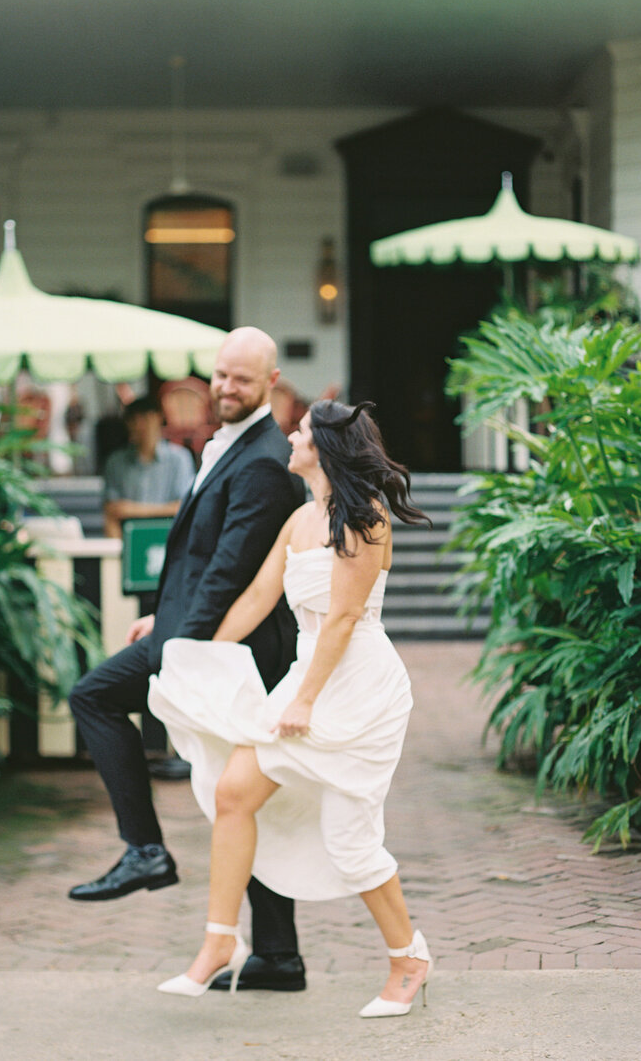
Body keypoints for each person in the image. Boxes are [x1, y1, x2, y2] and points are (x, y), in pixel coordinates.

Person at [149, 400, 434, 1018]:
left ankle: (408, 958)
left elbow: (342, 619)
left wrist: (303, 699)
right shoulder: (301, 519)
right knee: (234, 794)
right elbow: (255, 597)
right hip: (310, 676)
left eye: (299, 430)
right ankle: (219, 942)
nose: (289, 437)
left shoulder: (366, 518)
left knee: (351, 843)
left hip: (358, 687)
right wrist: (189, 650)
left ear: (324, 447)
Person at [68, 327, 309, 993]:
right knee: (239, 799)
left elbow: (232, 571)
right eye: (220, 376)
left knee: (93, 696)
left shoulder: (262, 458)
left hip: (235, 649)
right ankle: (279, 957)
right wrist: (162, 614)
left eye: (242, 378)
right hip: (204, 631)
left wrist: (174, 645)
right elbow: (201, 556)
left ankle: (144, 850)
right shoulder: (226, 444)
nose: (227, 387)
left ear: (271, 381)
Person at [102, 395, 196, 539]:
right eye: (133, 420)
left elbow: (184, 507)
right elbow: (112, 511)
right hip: (129, 540)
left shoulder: (180, 458)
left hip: (170, 539)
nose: (139, 426)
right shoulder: (115, 462)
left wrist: (133, 510)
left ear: (159, 417)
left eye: (145, 418)